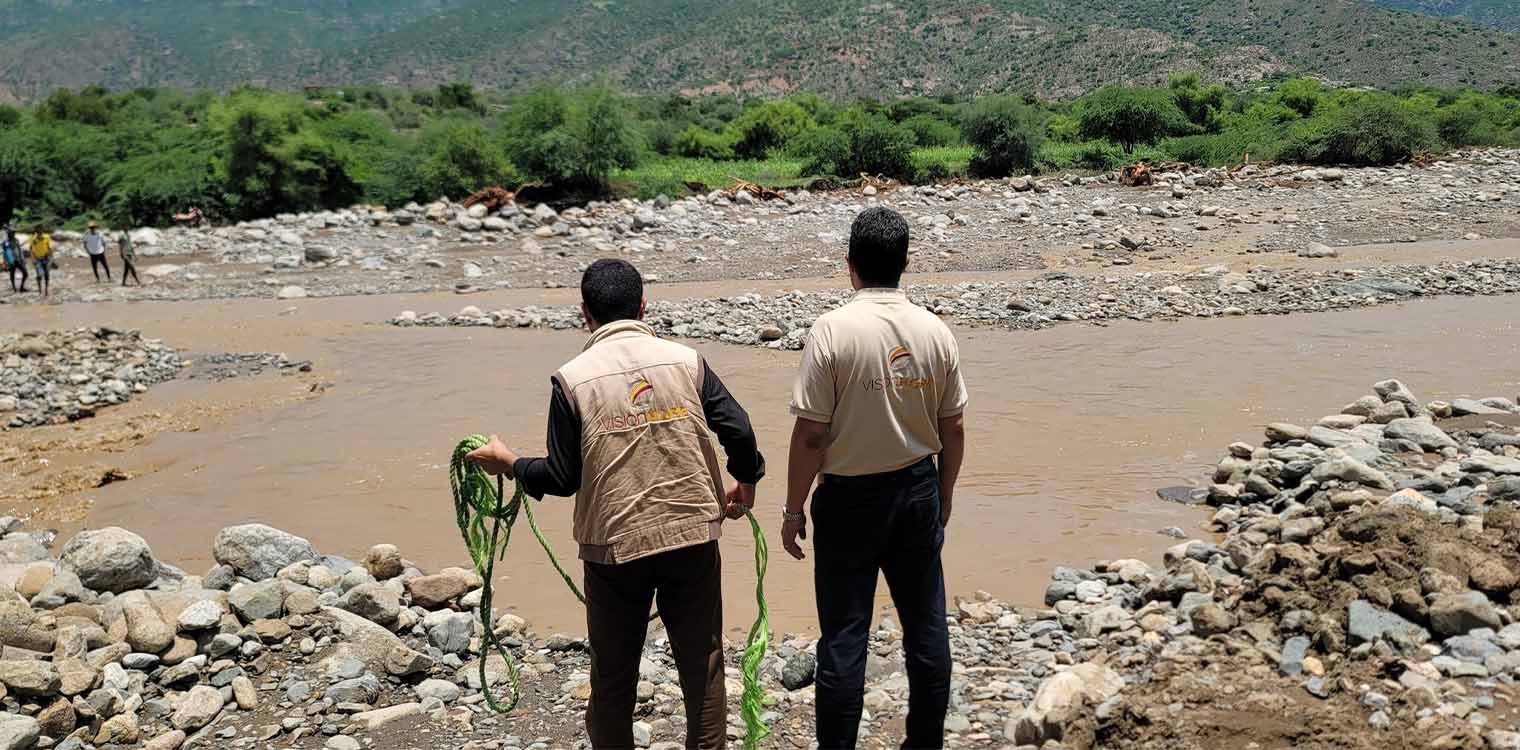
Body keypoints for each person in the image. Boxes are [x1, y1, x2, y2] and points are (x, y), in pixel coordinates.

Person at [465, 258, 766, 750]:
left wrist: (510, 462)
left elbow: (562, 479)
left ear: (585, 313)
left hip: (613, 550)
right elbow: (739, 429)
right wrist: (746, 480)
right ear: (643, 305)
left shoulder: (572, 380)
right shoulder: (686, 361)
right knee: (704, 665)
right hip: (690, 535)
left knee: (613, 674)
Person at [783, 207, 968, 750]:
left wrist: (793, 510)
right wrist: (945, 493)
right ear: (905, 263)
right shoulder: (935, 330)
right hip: (917, 488)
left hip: (848, 499)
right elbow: (953, 426)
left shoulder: (832, 330)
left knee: (844, 636)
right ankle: (924, 742)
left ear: (850, 265)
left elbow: (811, 436)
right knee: (926, 628)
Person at [28, 226, 52, 299]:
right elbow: (31, 249)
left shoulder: (47, 237)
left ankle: (46, 290)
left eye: (40, 230)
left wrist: (51, 258)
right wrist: (33, 259)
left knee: (47, 275)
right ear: (36, 231)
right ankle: (40, 290)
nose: (39, 232)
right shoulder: (32, 238)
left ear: (42, 230)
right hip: (37, 259)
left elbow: (49, 248)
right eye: (38, 230)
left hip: (46, 258)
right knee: (39, 274)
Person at [3, 227, 25, 293]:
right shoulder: (6, 242)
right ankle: (14, 288)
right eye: (12, 233)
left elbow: (19, 249)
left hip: (18, 259)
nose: (13, 234)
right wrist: (6, 262)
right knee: (12, 274)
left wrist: (22, 258)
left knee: (25, 273)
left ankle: (21, 287)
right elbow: (6, 252)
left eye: (14, 233)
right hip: (11, 261)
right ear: (9, 234)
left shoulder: (16, 240)